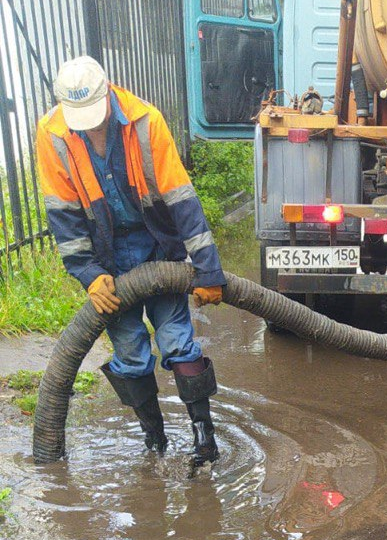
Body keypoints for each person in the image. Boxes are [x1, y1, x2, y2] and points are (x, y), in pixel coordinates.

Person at [36, 56, 225, 466]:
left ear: (109, 93)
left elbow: (181, 199)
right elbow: (63, 213)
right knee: (131, 353)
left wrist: (207, 271)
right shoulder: (52, 135)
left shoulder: (145, 121)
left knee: (177, 340)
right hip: (107, 260)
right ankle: (154, 442)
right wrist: (88, 274)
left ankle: (205, 442)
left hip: (158, 245)